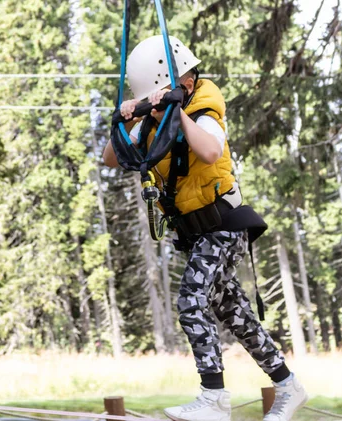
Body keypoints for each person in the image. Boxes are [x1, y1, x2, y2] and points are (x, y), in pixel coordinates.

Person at [103, 35, 308, 421]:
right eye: (150, 96)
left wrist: (176, 110)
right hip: (197, 234)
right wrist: (129, 117)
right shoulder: (150, 121)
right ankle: (288, 384)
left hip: (224, 224)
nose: (154, 102)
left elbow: (210, 151)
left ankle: (213, 397)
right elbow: (111, 159)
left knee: (191, 299)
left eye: (159, 93)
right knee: (233, 312)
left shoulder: (203, 112)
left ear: (187, 84)